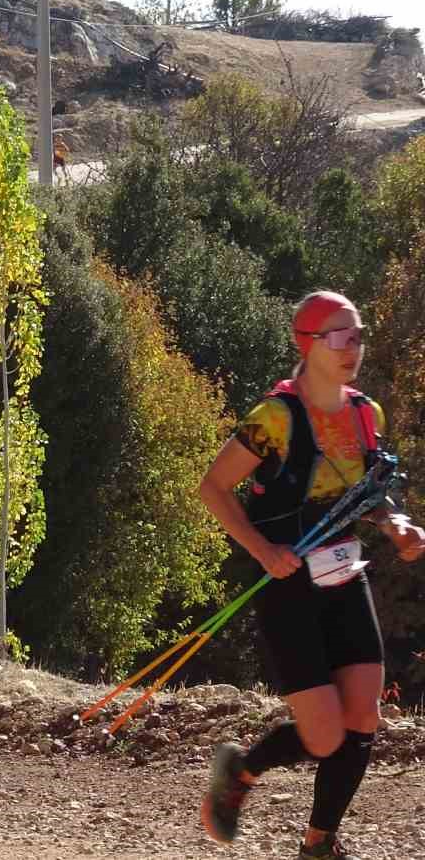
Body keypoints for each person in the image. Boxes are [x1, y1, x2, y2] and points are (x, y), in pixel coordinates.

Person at [197, 291, 425, 859]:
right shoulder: (274, 418)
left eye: (359, 335)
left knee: (364, 715)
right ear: (309, 343)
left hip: (346, 571)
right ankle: (241, 773)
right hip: (287, 583)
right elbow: (213, 488)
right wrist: (262, 550)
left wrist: (396, 523)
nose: (355, 348)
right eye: (342, 337)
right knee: (324, 737)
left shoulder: (365, 413)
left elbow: (371, 495)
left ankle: (319, 842)